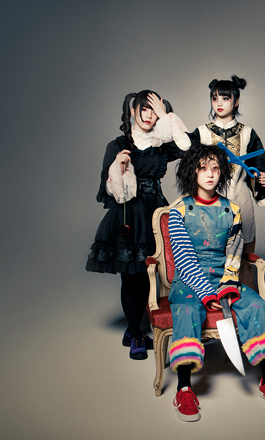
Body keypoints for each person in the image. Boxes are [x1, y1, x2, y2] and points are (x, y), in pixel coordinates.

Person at [168, 142, 265, 422]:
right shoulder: (179, 210)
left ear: (222, 171)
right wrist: (206, 293)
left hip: (225, 277)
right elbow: (184, 259)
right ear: (192, 171)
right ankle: (184, 389)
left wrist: (227, 284)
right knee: (188, 310)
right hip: (189, 281)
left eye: (215, 168)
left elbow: (235, 252)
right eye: (203, 168)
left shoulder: (232, 209)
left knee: (256, 304)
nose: (210, 173)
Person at [86, 90, 190, 360]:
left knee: (152, 274)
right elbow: (106, 190)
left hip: (156, 213)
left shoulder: (161, 145)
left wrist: (167, 117)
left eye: (153, 110)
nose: (148, 115)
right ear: (133, 111)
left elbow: (189, 147)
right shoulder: (119, 144)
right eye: (144, 108)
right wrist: (116, 168)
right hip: (129, 214)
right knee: (132, 276)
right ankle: (136, 334)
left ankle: (137, 328)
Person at [189, 75, 265, 290]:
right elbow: (185, 159)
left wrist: (261, 177)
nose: (219, 103)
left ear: (236, 101)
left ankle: (246, 304)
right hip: (207, 204)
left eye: (225, 98)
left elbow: (260, 163)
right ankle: (210, 303)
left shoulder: (248, 133)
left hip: (240, 200)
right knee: (206, 257)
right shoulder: (201, 132)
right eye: (215, 98)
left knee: (243, 259)